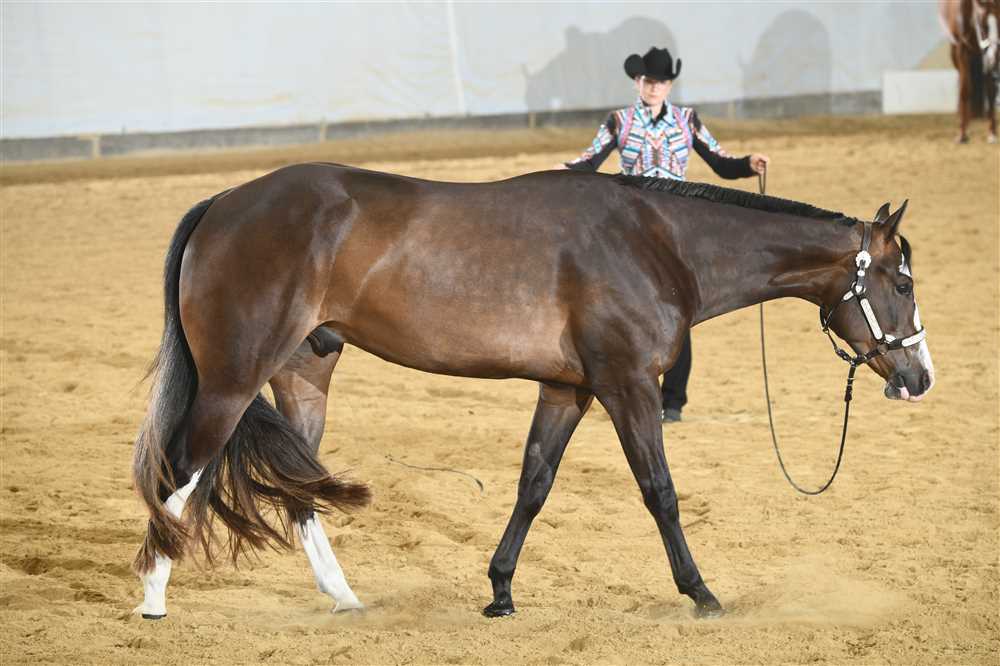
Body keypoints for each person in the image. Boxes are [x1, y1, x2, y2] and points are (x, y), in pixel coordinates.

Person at [559, 46, 770, 423]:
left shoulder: (688, 120)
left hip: (675, 228)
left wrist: (746, 164)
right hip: (632, 226)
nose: (654, 87)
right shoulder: (619, 121)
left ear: (670, 85)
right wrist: (562, 172)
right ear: (638, 82)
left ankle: (672, 401)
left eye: (661, 82)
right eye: (649, 81)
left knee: (677, 311)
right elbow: (590, 160)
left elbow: (719, 161)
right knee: (624, 306)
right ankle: (634, 389)